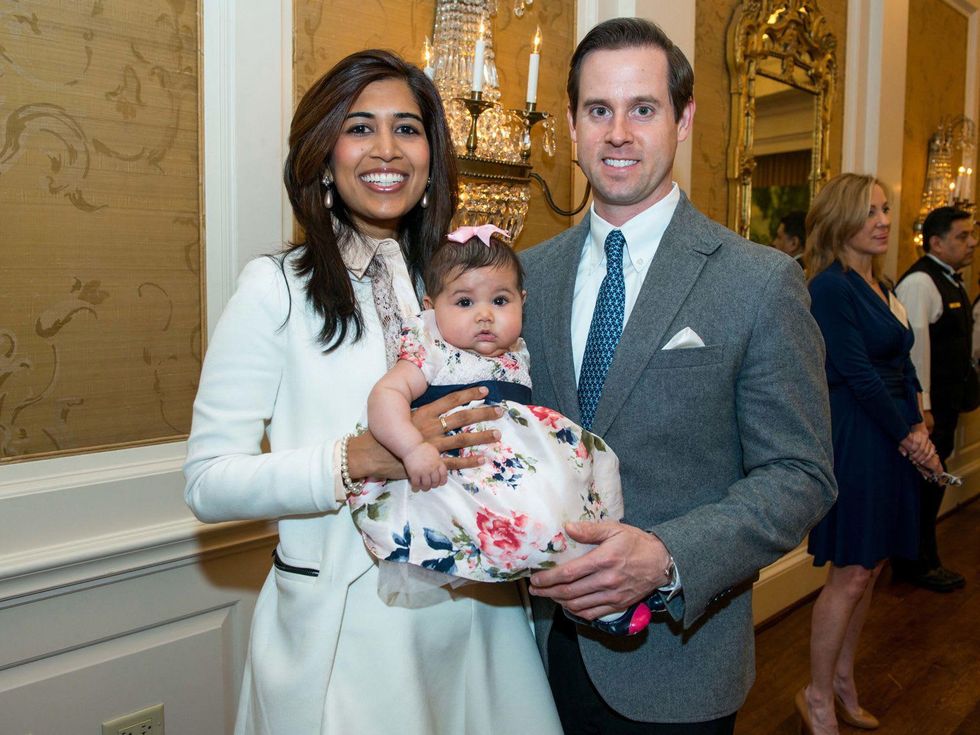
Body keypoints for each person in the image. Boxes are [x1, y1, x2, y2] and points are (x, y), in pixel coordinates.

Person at [183, 50, 563, 735]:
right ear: (323, 154)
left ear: (432, 152)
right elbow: (209, 482)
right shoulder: (275, 288)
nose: (387, 149)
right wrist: (353, 459)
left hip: (476, 617)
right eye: (360, 128)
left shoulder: (457, 284)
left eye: (407, 128)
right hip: (349, 626)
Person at [520, 18, 837, 734]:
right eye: (599, 110)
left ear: (684, 118)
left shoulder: (759, 281)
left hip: (675, 667)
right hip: (530, 655)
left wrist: (666, 558)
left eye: (644, 108)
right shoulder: (527, 278)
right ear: (571, 125)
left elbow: (801, 473)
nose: (619, 133)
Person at [359, 224, 657, 634]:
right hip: (469, 469)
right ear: (431, 307)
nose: (484, 315)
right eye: (464, 302)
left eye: (500, 300)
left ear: (522, 301)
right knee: (539, 522)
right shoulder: (430, 346)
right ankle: (581, 589)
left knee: (594, 473)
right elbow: (385, 396)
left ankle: (594, 581)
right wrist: (411, 448)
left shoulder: (517, 347)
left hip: (524, 454)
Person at [799, 173, 943, 735]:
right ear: (842, 220)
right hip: (859, 435)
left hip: (890, 432)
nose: (884, 221)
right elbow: (857, 373)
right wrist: (910, 436)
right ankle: (815, 696)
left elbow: (901, 363)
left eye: (885, 210)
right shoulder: (831, 287)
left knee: (872, 566)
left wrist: (917, 426)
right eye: (871, 212)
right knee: (852, 572)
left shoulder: (879, 285)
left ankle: (841, 683)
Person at [892, 206, 977, 592]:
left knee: (933, 485)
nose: (972, 242)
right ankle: (915, 562)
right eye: (963, 236)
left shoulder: (951, 281)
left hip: (943, 404)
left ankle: (925, 556)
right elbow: (916, 353)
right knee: (923, 489)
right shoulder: (921, 284)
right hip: (927, 409)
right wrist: (921, 408)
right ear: (936, 242)